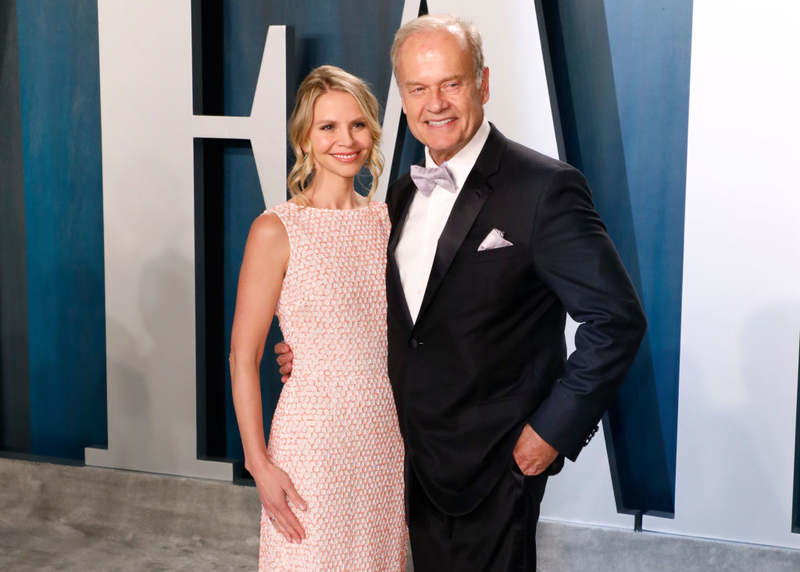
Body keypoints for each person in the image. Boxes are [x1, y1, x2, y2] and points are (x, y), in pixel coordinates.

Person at [278, 14, 646, 571]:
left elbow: (616, 320)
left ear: (484, 83)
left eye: (451, 83)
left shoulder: (543, 188)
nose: (436, 104)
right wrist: (312, 354)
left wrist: (550, 432)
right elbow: (402, 321)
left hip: (498, 466)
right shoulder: (399, 196)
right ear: (402, 97)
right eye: (418, 88)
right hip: (406, 462)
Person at [229, 65, 407, 571]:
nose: (344, 140)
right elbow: (244, 356)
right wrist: (258, 462)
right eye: (328, 126)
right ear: (304, 137)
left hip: (386, 440)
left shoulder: (389, 223)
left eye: (356, 125)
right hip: (312, 442)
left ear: (372, 131)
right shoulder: (276, 228)